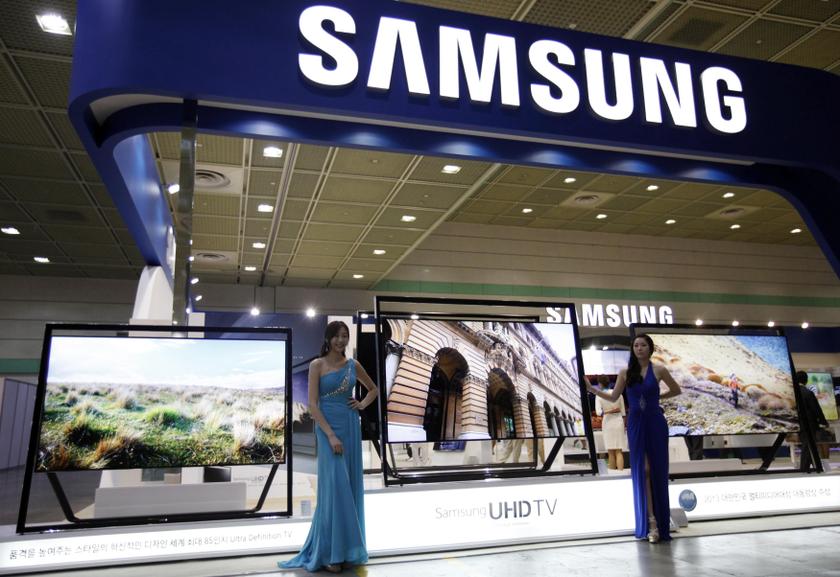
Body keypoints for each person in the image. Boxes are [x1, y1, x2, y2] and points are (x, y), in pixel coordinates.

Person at [280, 321, 378, 573]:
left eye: (345, 336)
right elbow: (312, 405)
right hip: (327, 430)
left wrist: (362, 404)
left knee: (349, 488)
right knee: (334, 489)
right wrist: (331, 436)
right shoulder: (317, 365)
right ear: (328, 338)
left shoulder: (352, 365)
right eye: (336, 336)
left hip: (349, 425)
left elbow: (374, 390)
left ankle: (345, 551)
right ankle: (330, 553)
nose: (341, 340)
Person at [586, 334, 681, 543]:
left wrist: (657, 399)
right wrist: (593, 390)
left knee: (657, 470)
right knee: (644, 470)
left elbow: (676, 390)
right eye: (636, 345)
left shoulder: (659, 370)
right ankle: (651, 522)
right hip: (636, 422)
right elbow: (613, 397)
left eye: (643, 345)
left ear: (650, 348)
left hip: (655, 422)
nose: (639, 348)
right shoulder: (625, 372)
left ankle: (661, 522)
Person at [794, 370, 829, 472]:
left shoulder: (794, 393)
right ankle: (804, 469)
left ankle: (815, 467)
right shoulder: (807, 393)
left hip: (797, 423)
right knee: (808, 446)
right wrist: (823, 421)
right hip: (809, 424)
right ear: (806, 380)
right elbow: (816, 409)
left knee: (807, 446)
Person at [594, 375, 626, 471]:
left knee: (610, 451)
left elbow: (599, 412)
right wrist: (623, 426)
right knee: (619, 450)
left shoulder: (599, 395)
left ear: (600, 384)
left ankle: (613, 475)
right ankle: (621, 474)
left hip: (607, 423)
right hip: (619, 422)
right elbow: (623, 412)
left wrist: (609, 411)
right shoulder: (619, 394)